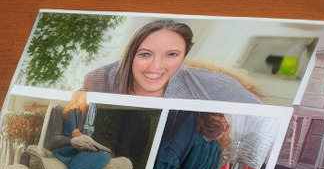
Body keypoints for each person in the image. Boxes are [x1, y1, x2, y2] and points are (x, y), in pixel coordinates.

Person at [63, 19, 262, 116]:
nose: (156, 66)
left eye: (172, 55)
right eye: (145, 54)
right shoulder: (101, 79)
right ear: (130, 54)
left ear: (184, 56)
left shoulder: (215, 85)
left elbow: (265, 119)